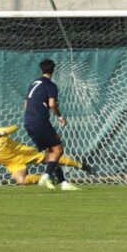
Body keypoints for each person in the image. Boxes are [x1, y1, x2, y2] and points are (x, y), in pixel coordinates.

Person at [0, 122, 93, 184]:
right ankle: (48, 178)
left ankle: (81, 166)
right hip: (14, 164)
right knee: (21, 181)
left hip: (24, 153)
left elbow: (15, 127)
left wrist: (1, 134)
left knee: (53, 158)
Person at [23, 59, 78, 191]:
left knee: (51, 152)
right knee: (58, 150)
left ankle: (63, 182)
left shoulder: (33, 83)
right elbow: (52, 104)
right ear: (53, 70)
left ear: (41, 70)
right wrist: (59, 116)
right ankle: (46, 176)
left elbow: (26, 104)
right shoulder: (50, 85)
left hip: (28, 121)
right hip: (40, 121)